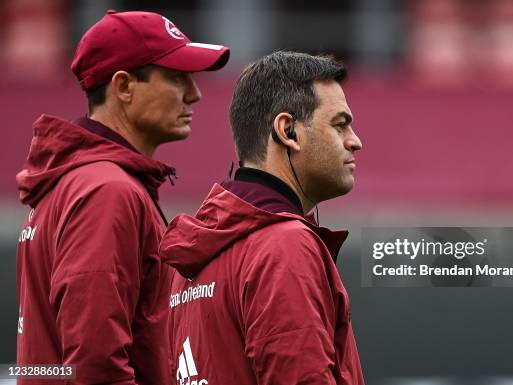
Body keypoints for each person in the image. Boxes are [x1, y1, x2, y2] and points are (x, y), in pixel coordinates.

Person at [15, 10, 229, 385]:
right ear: (124, 86)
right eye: (178, 78)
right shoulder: (106, 190)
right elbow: (96, 365)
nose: (194, 94)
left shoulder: (80, 181)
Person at [160, 51, 365, 385]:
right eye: (339, 124)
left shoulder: (191, 257)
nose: (355, 141)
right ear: (287, 131)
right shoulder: (285, 244)